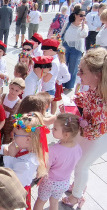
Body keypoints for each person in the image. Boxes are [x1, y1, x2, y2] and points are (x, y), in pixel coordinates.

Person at [61, 47, 107, 207]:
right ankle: (79, 186)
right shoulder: (98, 87)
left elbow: (94, 132)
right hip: (92, 132)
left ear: (97, 75)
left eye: (82, 71)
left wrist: (73, 120)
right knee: (78, 160)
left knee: (82, 165)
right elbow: (88, 97)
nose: (78, 74)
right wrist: (72, 103)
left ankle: (76, 197)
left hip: (99, 137)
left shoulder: (103, 102)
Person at [0, 112, 49, 209]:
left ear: (28, 139)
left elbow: (12, 180)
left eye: (15, 134)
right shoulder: (22, 146)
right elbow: (4, 148)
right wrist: (7, 150)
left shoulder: (27, 163)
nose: (12, 136)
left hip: (16, 192)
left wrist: (10, 155)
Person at [34, 113, 82, 210]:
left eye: (55, 129)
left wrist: (38, 173)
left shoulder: (54, 150)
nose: (52, 130)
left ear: (66, 134)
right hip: (64, 183)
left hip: (50, 182)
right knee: (54, 202)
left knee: (40, 201)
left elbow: (45, 168)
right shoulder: (78, 148)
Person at [60, 4, 88, 91]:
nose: (82, 17)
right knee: (63, 66)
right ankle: (61, 83)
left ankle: (69, 86)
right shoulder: (68, 24)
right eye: (81, 15)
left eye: (84, 15)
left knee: (73, 68)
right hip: (66, 46)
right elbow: (61, 34)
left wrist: (83, 26)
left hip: (77, 49)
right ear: (75, 15)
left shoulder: (85, 26)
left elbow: (84, 35)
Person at [1, 78, 25, 144]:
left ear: (21, 92)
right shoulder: (2, 96)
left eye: (17, 90)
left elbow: (19, 118)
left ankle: (4, 154)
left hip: (10, 127)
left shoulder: (19, 103)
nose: (13, 92)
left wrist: (14, 130)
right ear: (9, 86)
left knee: (7, 143)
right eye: (12, 89)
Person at [41, 39, 60, 114]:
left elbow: (46, 79)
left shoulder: (53, 62)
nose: (43, 53)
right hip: (46, 88)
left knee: (44, 112)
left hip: (48, 89)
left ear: (51, 50)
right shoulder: (52, 59)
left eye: (44, 51)